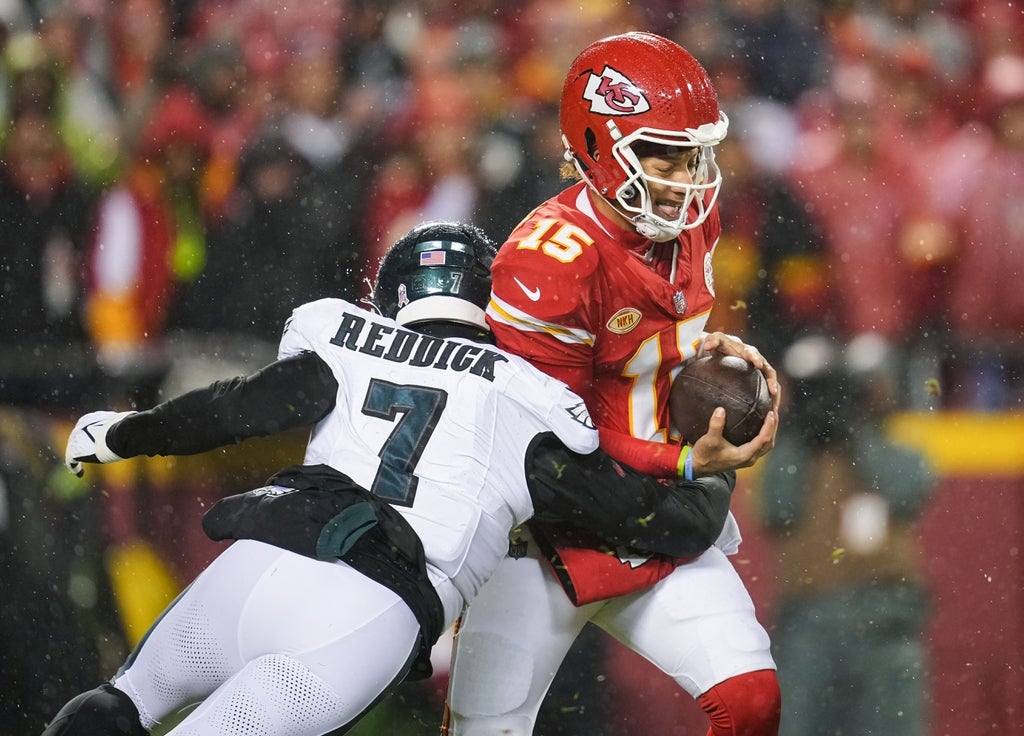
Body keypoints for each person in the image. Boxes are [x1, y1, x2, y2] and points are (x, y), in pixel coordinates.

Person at [44, 221, 741, 736]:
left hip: (263, 560)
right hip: (367, 611)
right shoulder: (525, 397)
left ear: (392, 292)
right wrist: (714, 462)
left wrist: (119, 433)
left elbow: (238, 409)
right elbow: (663, 521)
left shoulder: (344, 339)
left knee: (119, 704)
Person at [446, 32, 783, 736]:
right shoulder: (551, 260)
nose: (687, 176)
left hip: (652, 515)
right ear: (600, 148)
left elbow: (654, 343)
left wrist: (710, 358)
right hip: (543, 540)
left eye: (694, 154)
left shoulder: (690, 220)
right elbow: (551, 448)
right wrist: (688, 463)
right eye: (663, 153)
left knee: (751, 703)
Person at [758, 332, 936, 736]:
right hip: (807, 624)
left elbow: (905, 488)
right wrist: (801, 431)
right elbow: (777, 508)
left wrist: (857, 431)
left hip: (884, 620)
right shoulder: (797, 458)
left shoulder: (897, 450)